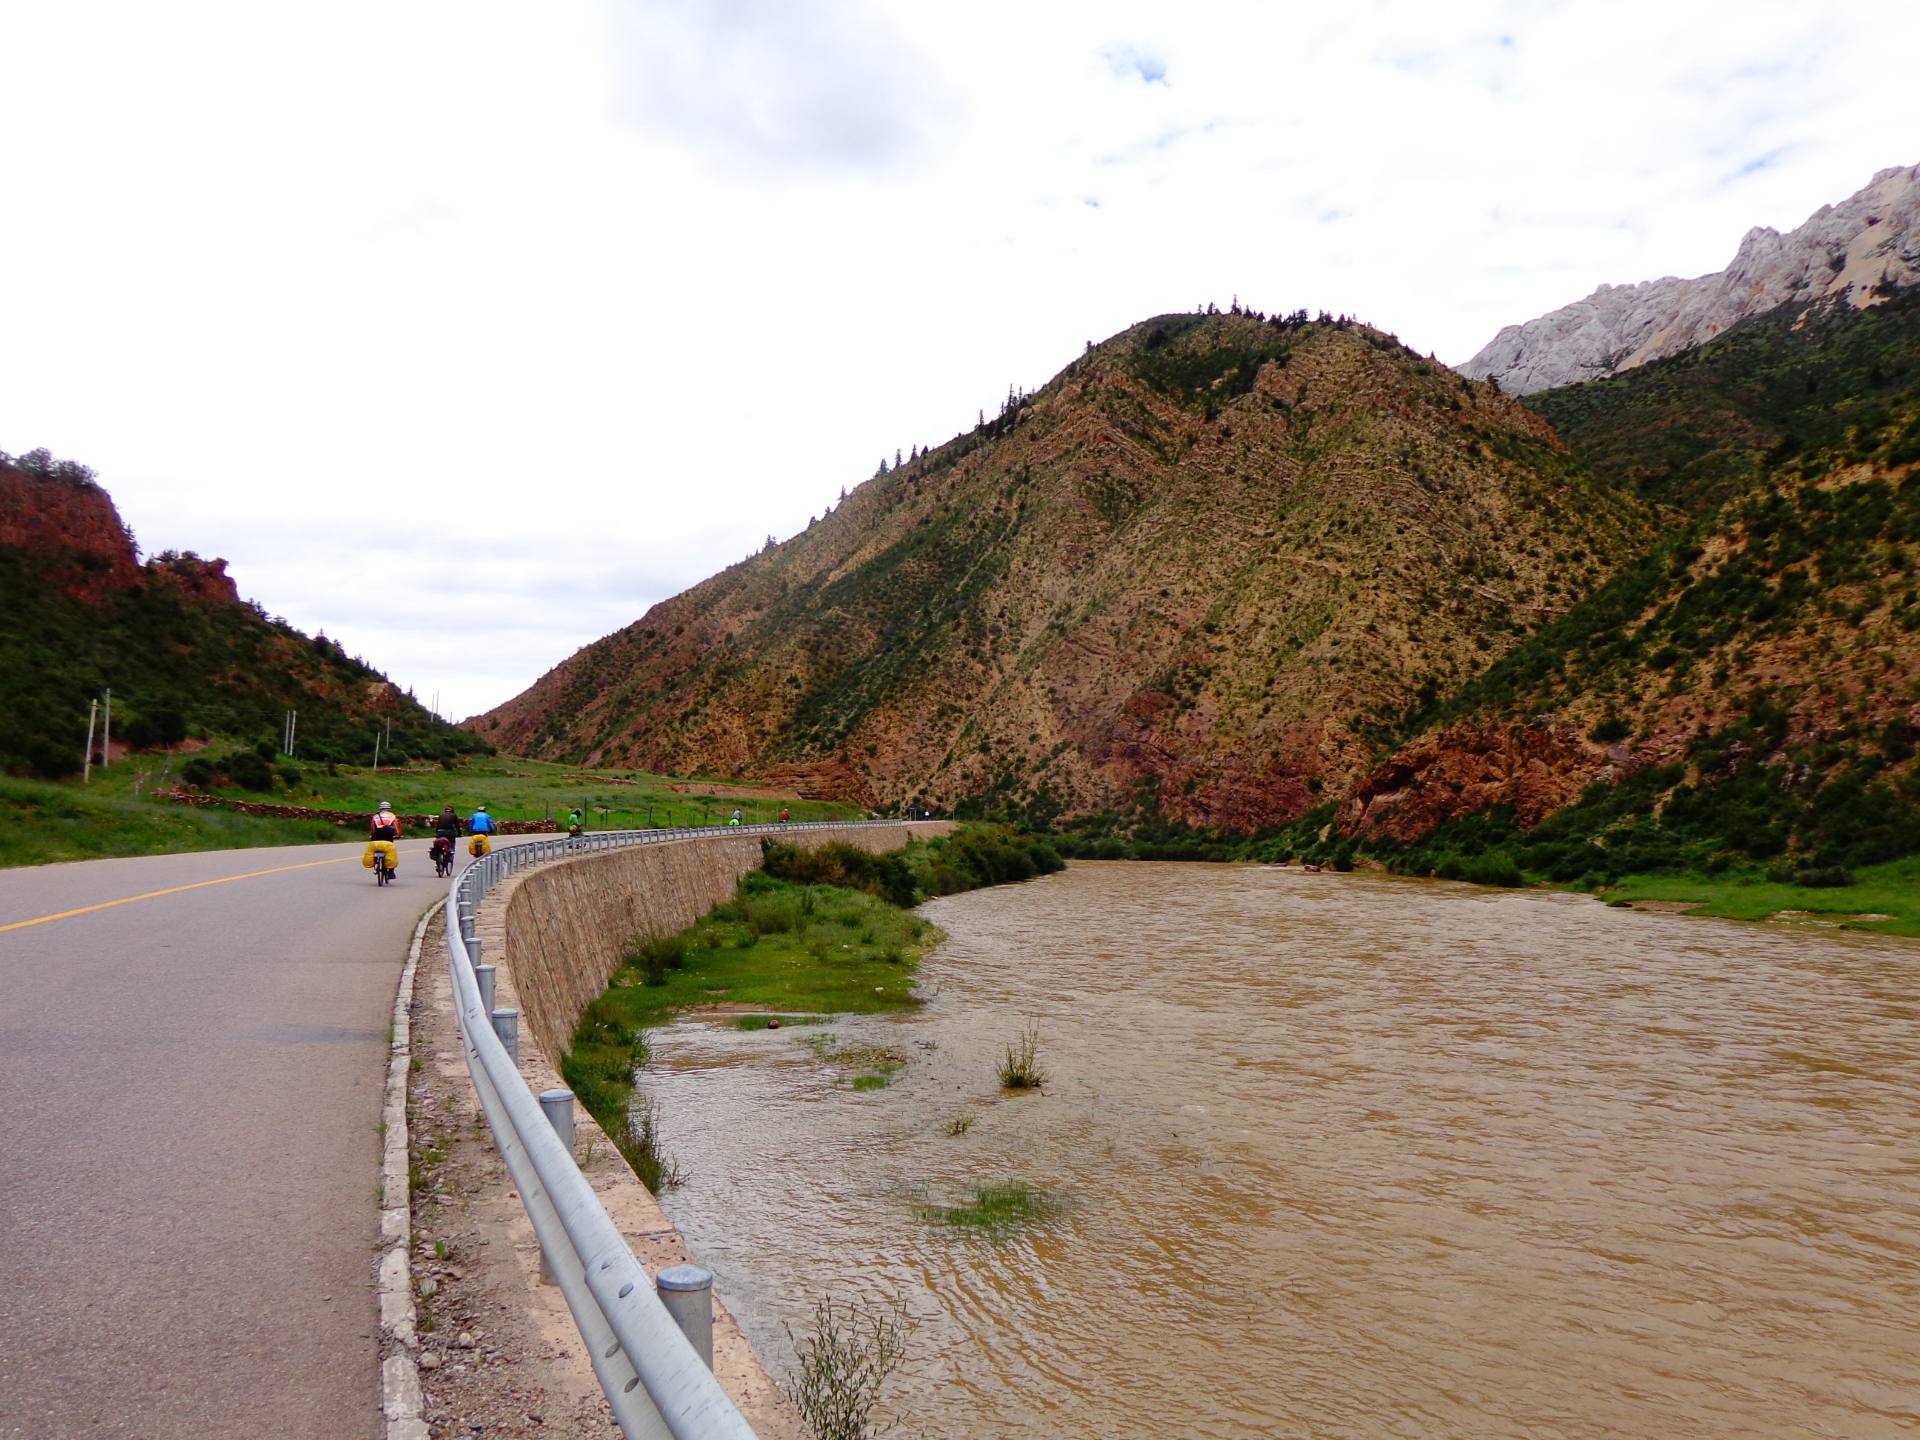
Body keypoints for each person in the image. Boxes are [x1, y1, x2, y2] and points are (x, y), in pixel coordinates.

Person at [366, 801, 402, 875]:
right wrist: (398, 835)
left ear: (380, 808)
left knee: (375, 849)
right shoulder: (392, 816)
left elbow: (372, 827)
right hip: (388, 836)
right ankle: (391, 872)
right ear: (389, 808)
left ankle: (376, 863)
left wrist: (372, 835)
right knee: (391, 852)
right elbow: (396, 827)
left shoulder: (375, 816)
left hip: (376, 836)